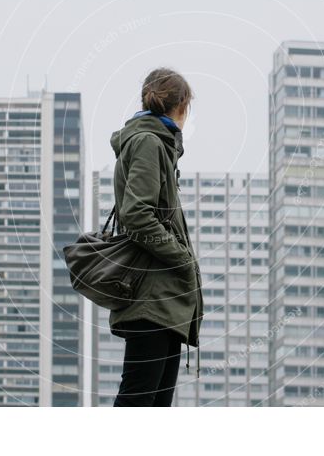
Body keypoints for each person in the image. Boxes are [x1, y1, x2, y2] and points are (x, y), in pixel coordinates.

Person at [108, 67, 204, 407]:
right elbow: (136, 215)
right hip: (152, 295)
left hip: (164, 297)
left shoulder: (158, 144)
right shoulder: (149, 142)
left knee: (155, 404)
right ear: (182, 106)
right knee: (138, 400)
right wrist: (183, 259)